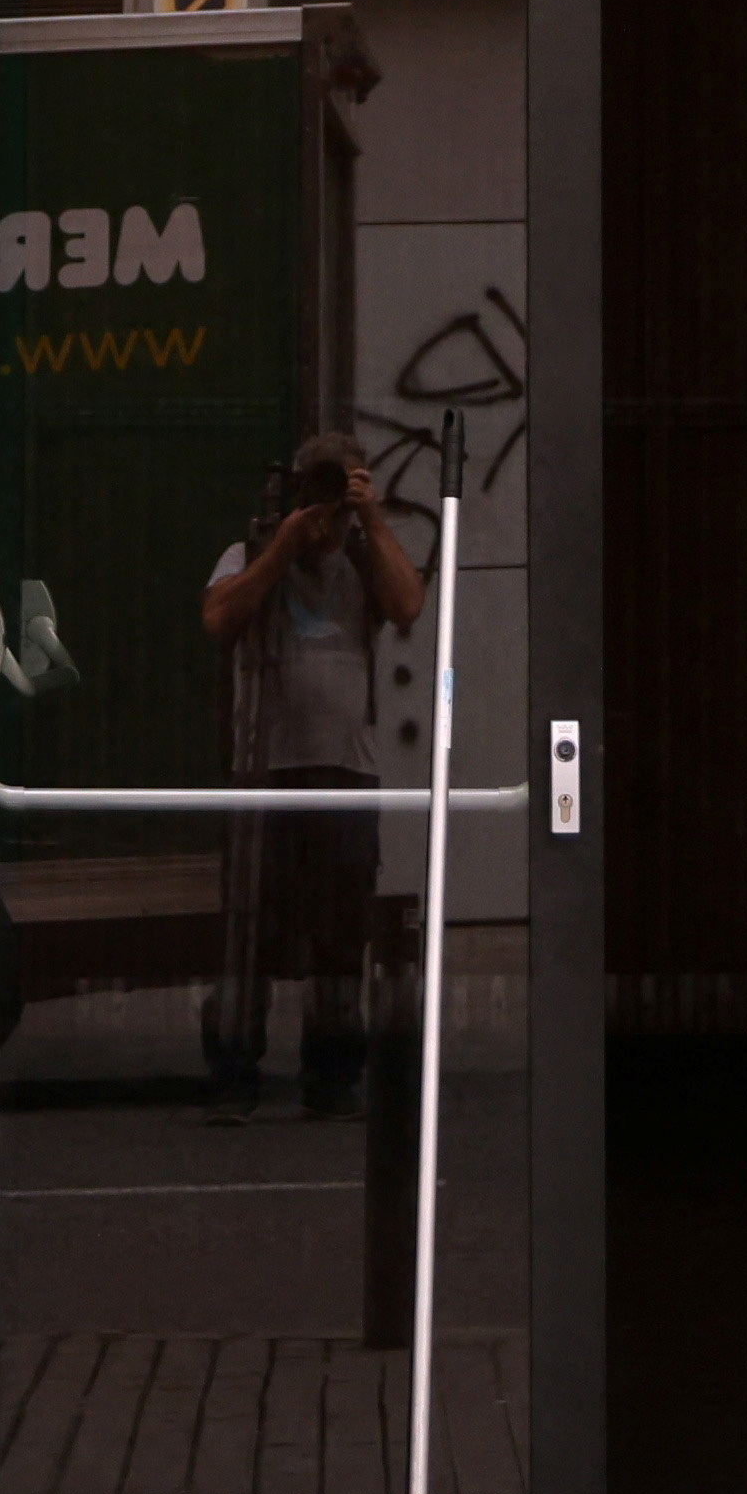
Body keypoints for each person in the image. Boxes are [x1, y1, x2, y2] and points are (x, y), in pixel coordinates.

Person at [197, 431, 423, 1116]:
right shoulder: (250, 551)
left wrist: (373, 518)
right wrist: (285, 546)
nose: (328, 502)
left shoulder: (362, 554)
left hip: (344, 774)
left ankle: (332, 1074)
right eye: (320, 485)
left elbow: (408, 605)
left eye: (342, 485)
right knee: (249, 931)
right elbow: (218, 619)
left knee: (337, 936)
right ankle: (235, 1074)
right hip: (262, 772)